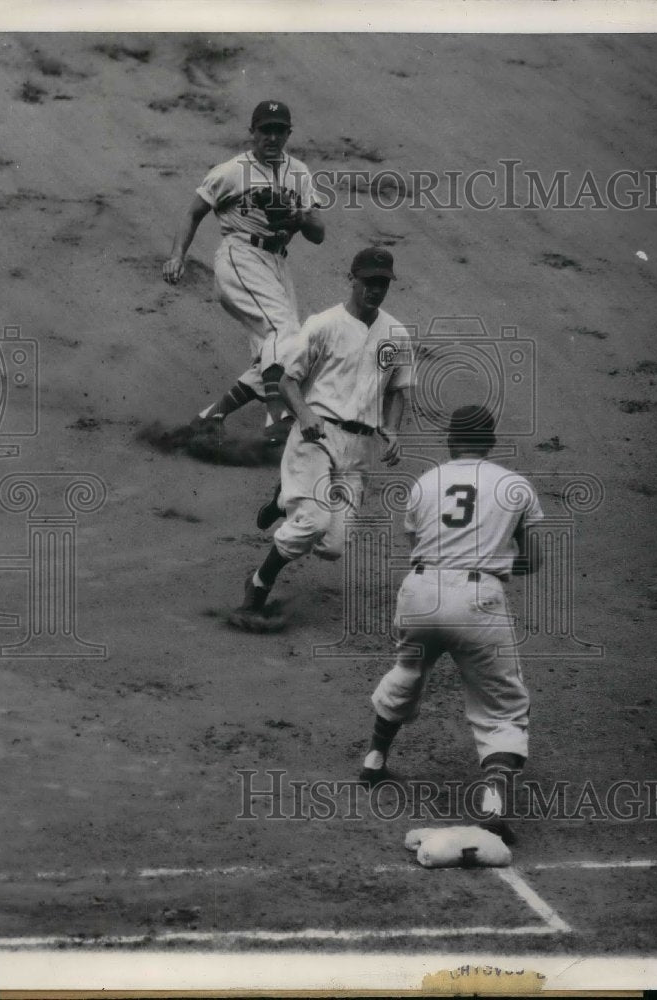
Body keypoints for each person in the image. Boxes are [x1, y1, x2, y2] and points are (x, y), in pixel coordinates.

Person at [359, 405, 544, 823]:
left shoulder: (425, 483)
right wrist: (492, 563)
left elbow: (419, 543)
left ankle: (373, 758)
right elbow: (532, 561)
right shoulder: (514, 485)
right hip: (478, 599)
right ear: (492, 442)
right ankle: (492, 801)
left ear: (450, 440)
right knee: (502, 705)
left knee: (407, 671)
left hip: (420, 591)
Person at [228, 247, 413, 629]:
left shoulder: (396, 334)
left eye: (383, 284)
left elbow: (398, 389)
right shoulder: (323, 324)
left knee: (332, 547)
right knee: (310, 524)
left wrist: (391, 429)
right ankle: (258, 585)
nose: (376, 290)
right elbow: (286, 379)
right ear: (353, 279)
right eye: (369, 282)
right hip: (317, 436)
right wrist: (306, 413)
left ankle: (284, 498)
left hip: (359, 450)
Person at [162, 100, 324, 440]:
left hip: (277, 264)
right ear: (252, 132)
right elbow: (193, 212)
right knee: (285, 335)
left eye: (279, 130)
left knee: (281, 351)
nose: (272, 137)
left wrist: (298, 218)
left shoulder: (300, 173)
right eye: (265, 130)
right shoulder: (231, 171)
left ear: (288, 134)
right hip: (241, 255)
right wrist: (178, 255)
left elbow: (318, 233)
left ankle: (212, 417)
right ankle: (275, 416)